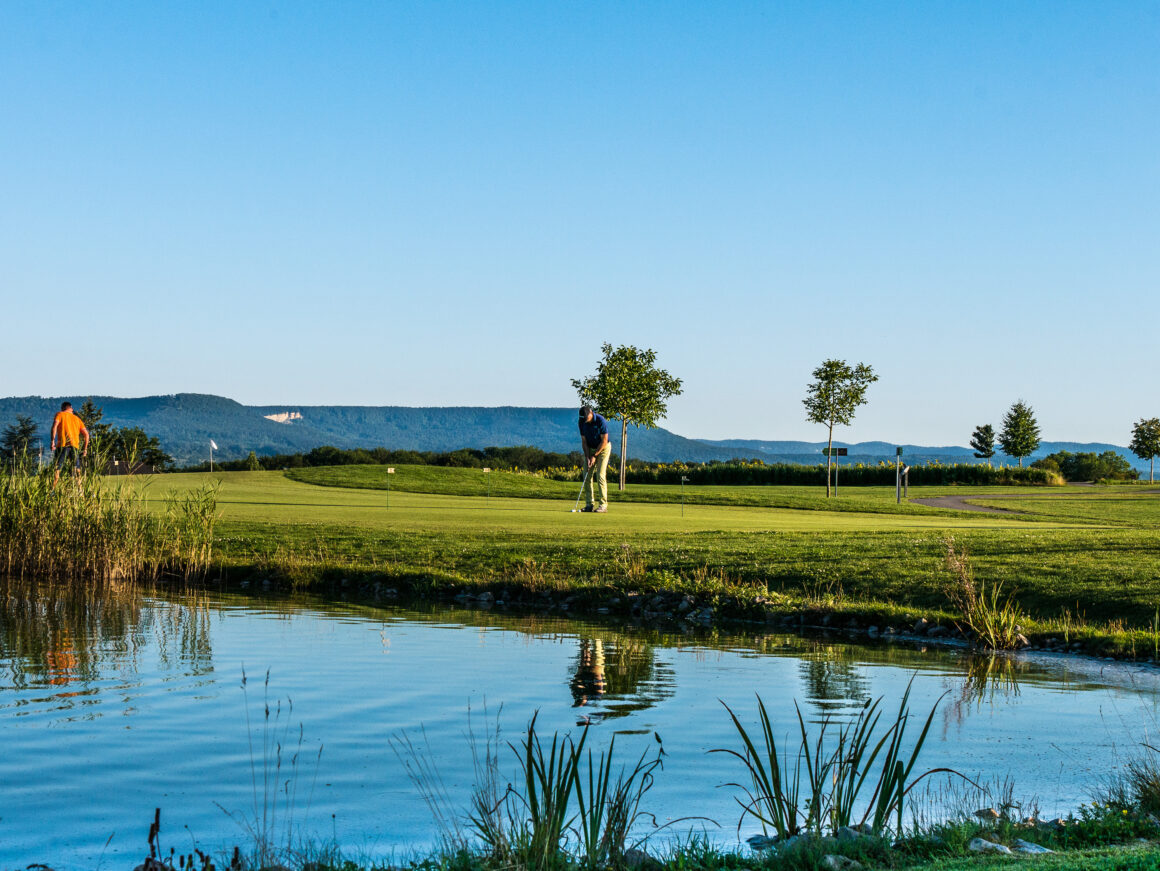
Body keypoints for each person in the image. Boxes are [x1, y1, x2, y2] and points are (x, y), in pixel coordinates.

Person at [578, 404, 610, 513]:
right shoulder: (582, 421)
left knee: (600, 475)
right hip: (590, 448)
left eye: (587, 418)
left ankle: (603, 505)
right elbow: (584, 441)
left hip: (603, 448)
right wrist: (587, 457)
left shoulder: (600, 420)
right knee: (586, 475)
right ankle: (589, 505)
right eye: (584, 419)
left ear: (591, 413)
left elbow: (604, 440)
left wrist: (595, 456)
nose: (585, 421)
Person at [50, 401, 89, 484]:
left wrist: (52, 441)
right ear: (71, 408)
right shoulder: (77, 419)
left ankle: (53, 489)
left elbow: (54, 426)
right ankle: (80, 491)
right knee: (76, 468)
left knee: (57, 467)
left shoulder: (60, 414)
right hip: (75, 446)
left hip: (63, 445)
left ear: (63, 408)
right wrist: (85, 449)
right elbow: (86, 435)